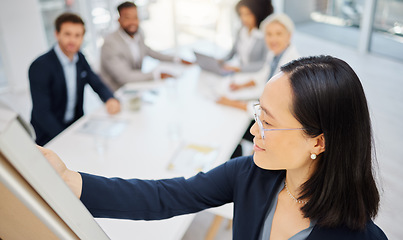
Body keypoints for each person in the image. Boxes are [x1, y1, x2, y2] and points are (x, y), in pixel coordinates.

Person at [40, 55, 387, 239]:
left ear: (319, 141)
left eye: (268, 121)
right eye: (258, 114)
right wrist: (69, 179)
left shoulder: (362, 237)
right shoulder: (251, 174)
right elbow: (165, 197)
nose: (254, 130)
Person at [29, 13, 120, 146]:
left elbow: (97, 84)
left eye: (78, 35)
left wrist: (110, 99)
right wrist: (66, 138)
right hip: (49, 136)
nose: (73, 40)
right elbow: (42, 113)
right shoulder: (40, 66)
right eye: (67, 34)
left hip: (76, 127)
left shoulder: (80, 59)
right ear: (57, 34)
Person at [218, 13, 300, 158]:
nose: (273, 39)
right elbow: (264, 75)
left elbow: (270, 109)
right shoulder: (275, 54)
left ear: (289, 36)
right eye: (268, 34)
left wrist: (234, 103)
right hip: (268, 113)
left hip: (279, 126)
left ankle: (237, 164)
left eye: (278, 34)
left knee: (234, 129)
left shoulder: (291, 70)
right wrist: (242, 86)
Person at [100, 1, 192, 92]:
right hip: (117, 93)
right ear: (119, 20)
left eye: (135, 17)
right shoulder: (110, 44)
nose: (133, 22)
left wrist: (176, 59)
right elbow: (125, 77)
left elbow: (148, 51)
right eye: (128, 18)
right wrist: (156, 74)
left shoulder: (139, 33)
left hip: (137, 86)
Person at [221, 0, 273, 73]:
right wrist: (221, 60)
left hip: (255, 75)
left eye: (248, 14)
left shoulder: (264, 35)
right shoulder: (241, 31)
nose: (243, 18)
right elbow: (233, 52)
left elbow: (264, 64)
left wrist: (239, 68)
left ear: (257, 14)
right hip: (239, 72)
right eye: (241, 14)